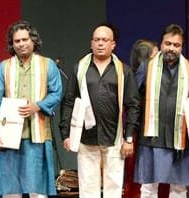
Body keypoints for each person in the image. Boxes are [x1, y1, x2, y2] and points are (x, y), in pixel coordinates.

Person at [59, 23, 140, 198]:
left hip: (114, 137)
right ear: (91, 43)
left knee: (114, 188)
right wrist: (66, 133)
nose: (100, 43)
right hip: (86, 137)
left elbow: (133, 105)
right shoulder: (80, 68)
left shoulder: (123, 71)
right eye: (97, 40)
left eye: (105, 40)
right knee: (88, 188)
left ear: (113, 45)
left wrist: (129, 138)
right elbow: (69, 100)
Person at [0, 20, 62, 198]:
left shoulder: (47, 65)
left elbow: (56, 92)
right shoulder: (4, 67)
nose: (21, 44)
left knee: (38, 188)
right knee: (11, 189)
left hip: (38, 134)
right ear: (12, 44)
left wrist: (37, 106)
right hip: (10, 137)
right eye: (16, 41)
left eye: (24, 39)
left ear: (33, 40)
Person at [133, 24, 189, 198]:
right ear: (161, 44)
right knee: (148, 187)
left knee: (179, 188)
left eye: (176, 45)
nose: (171, 48)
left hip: (180, 137)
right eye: (168, 44)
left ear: (182, 47)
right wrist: (130, 130)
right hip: (151, 135)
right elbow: (134, 100)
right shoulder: (147, 67)